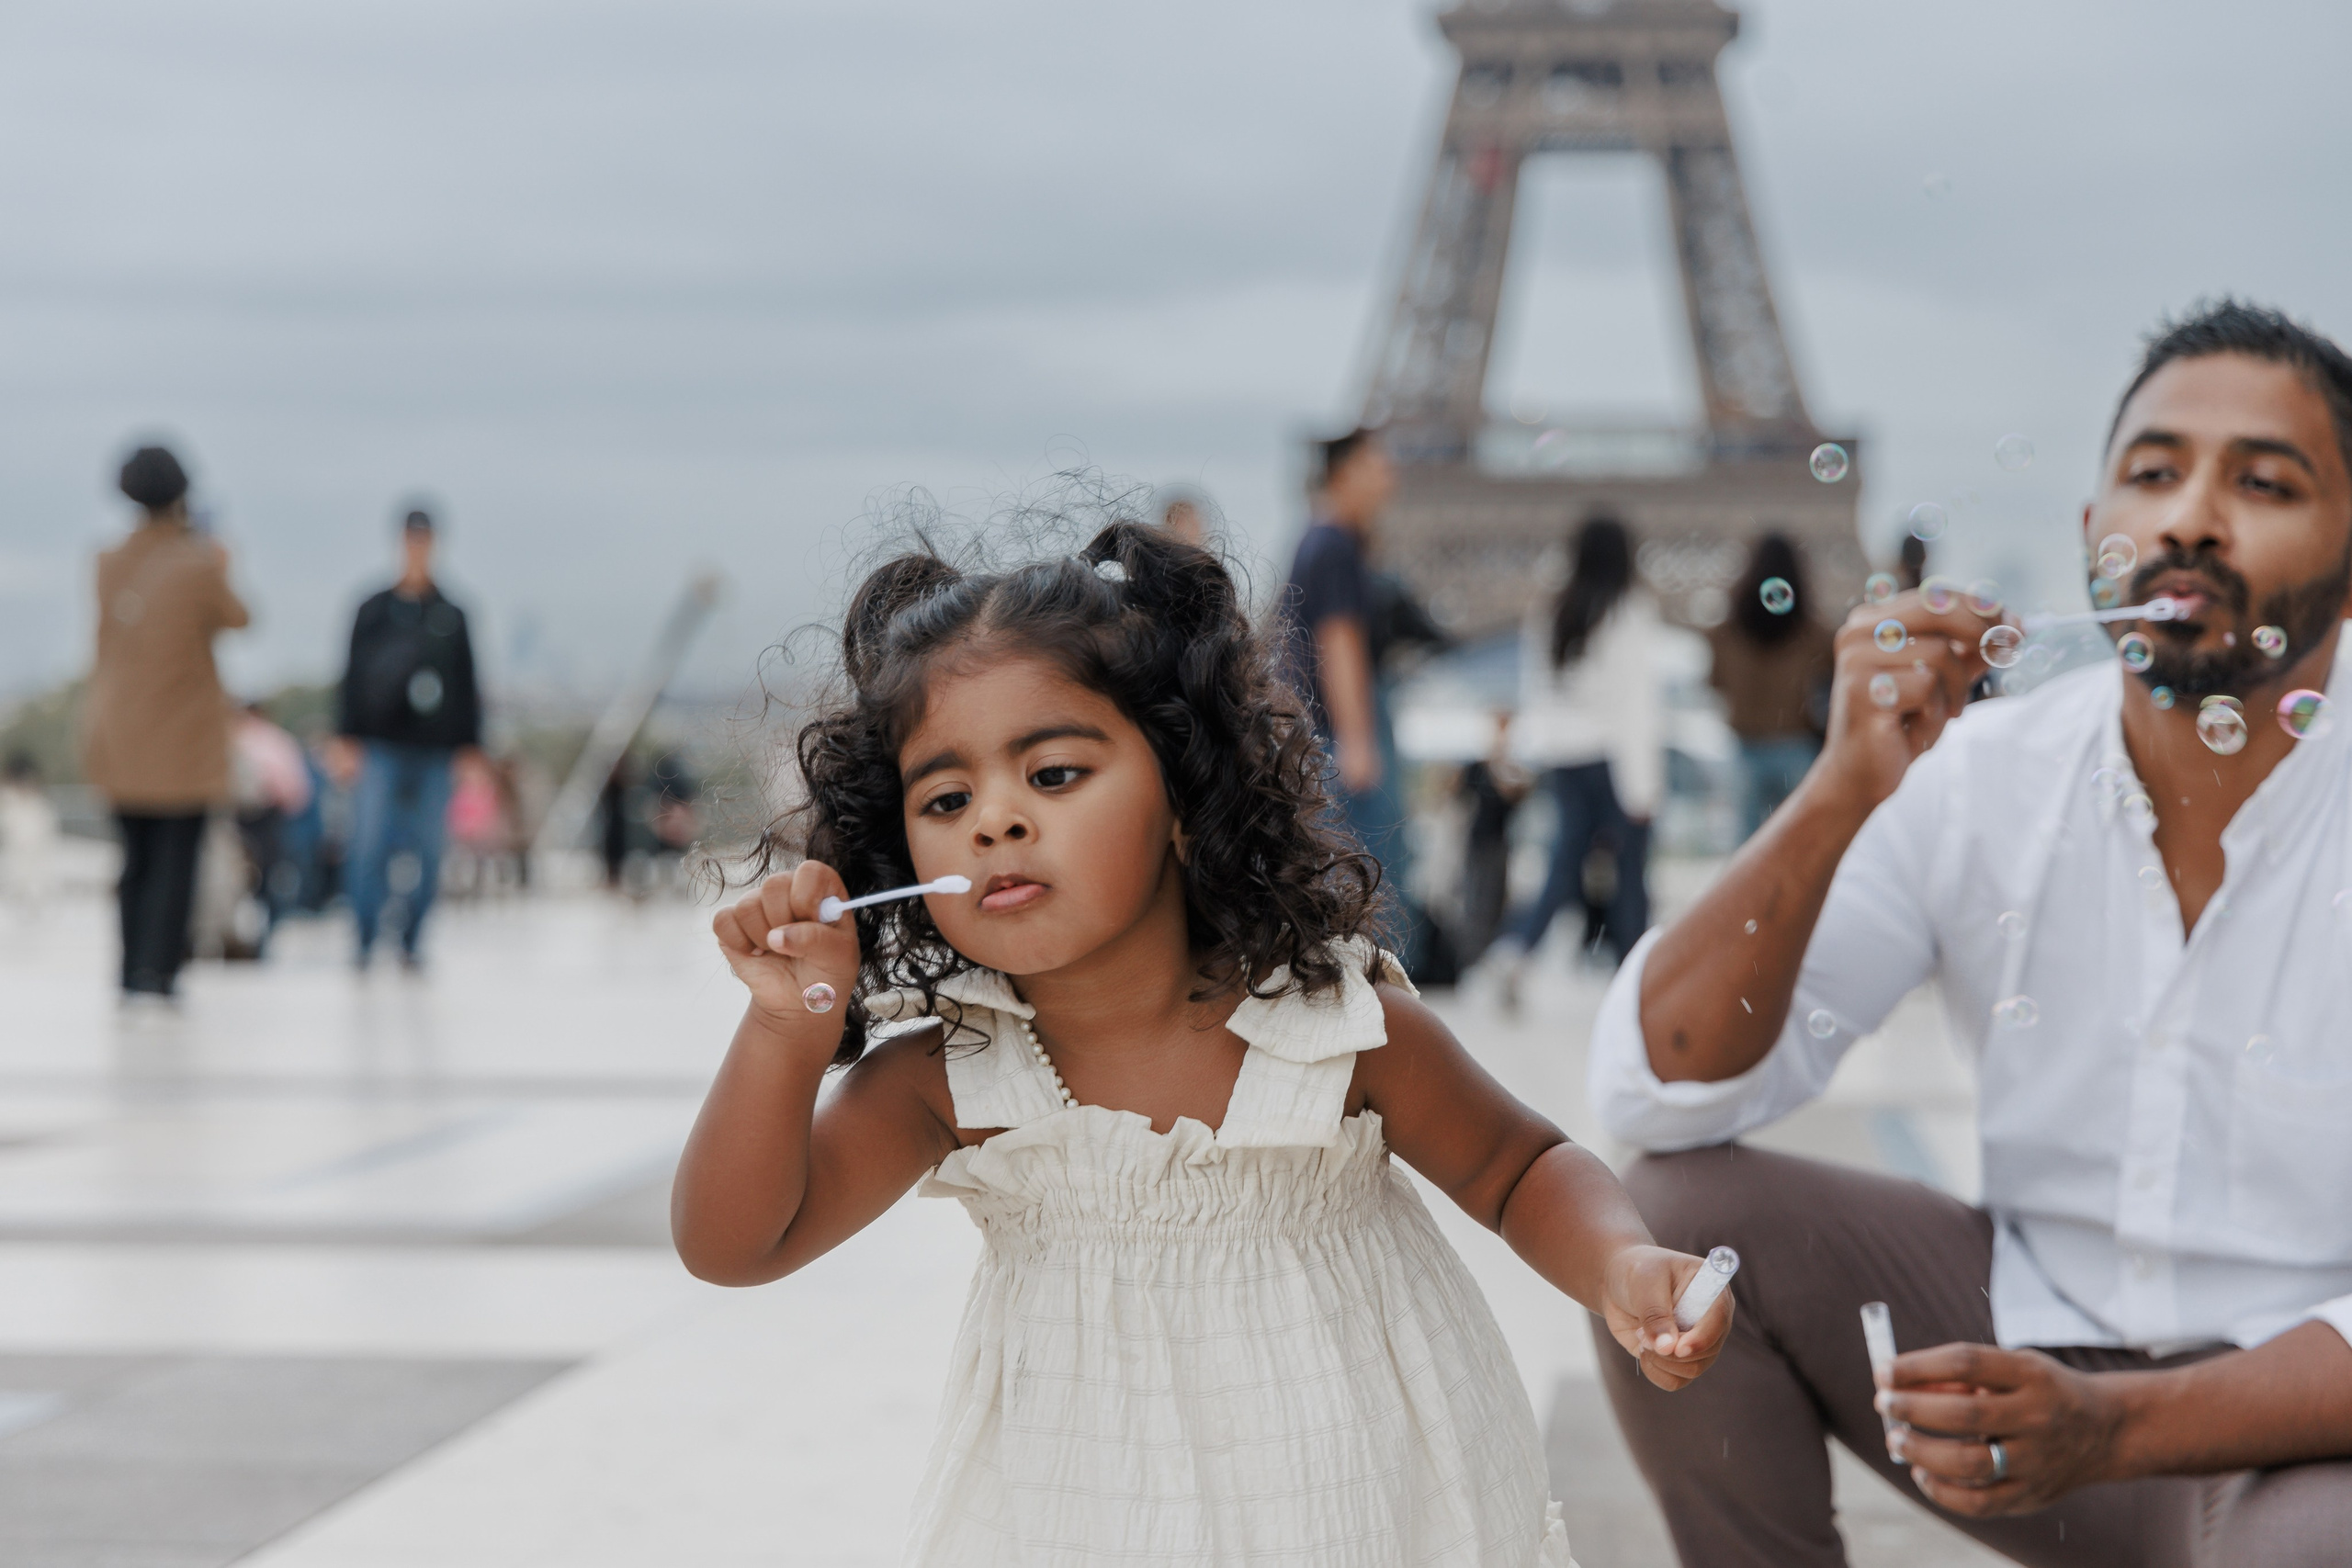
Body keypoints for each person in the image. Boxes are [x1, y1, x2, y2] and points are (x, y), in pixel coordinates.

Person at [674, 521, 1736, 1566]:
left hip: (1370, 1512)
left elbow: (1518, 1170)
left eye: (1051, 776)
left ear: (1185, 795)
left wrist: (1617, 1261)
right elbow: (736, 1244)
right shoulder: (950, 1075)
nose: (993, 820)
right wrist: (784, 1025)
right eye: (947, 798)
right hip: (1079, 1522)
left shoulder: (1334, 1027)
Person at [1586, 299, 2352, 1565]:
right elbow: (1658, 1093)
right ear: (2091, 531)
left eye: (2263, 482)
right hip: (2027, 1365)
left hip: (2299, 1442)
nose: (2191, 517)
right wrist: (1838, 790)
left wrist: (2116, 1425)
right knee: (1675, 1214)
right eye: (2152, 472)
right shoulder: (1980, 774)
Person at [79, 444, 250, 1001]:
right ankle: (161, 969)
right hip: (182, 741)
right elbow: (239, 619)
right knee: (176, 861)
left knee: (135, 860)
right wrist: (221, 560)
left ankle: (130, 968)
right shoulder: (199, 563)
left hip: (121, 734)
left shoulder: (107, 562)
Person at [1486, 517, 1663, 1003]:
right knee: (1630, 874)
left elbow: (1536, 692)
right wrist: (1643, 789)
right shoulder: (1628, 610)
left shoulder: (1552, 610)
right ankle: (1636, 978)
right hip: (1612, 758)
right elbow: (1637, 707)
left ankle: (1514, 950)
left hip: (1563, 757)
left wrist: (1527, 750)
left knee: (1563, 864)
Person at [334, 506, 481, 968]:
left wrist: (470, 747)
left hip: (435, 750)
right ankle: (363, 936)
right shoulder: (373, 609)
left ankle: (412, 940)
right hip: (380, 745)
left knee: (430, 849)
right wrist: (346, 738)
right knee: (368, 843)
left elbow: (467, 684)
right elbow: (351, 676)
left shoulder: (452, 614)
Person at [1280, 428, 1405, 882]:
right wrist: (1358, 740)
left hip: (1318, 733)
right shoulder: (1336, 544)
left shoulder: (1315, 539)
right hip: (1338, 736)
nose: (1389, 477)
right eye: (1378, 465)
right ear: (1345, 473)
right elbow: (1339, 639)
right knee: (1372, 878)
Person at [1710, 532, 1835, 840]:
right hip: (1796, 744)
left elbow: (1716, 682)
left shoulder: (1726, 634)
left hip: (1746, 745)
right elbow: (1830, 680)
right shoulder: (1815, 634)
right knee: (1802, 843)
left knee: (1747, 849)